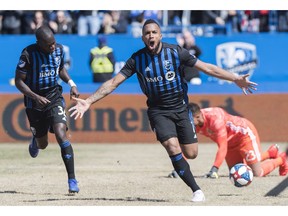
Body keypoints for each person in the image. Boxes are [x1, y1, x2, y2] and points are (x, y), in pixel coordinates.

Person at [68, 19, 257, 202]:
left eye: (154, 32)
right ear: (143, 38)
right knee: (172, 147)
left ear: (160, 35)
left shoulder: (176, 52)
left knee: (191, 153)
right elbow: (113, 83)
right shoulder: (137, 59)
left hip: (181, 109)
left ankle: (186, 170)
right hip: (158, 111)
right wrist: (89, 101)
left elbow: (207, 68)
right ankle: (196, 190)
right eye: (147, 33)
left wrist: (234, 78)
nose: (150, 36)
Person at [14, 25, 80, 193]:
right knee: (43, 144)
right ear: (39, 43)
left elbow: (61, 69)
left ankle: (72, 180)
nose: (52, 47)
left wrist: (71, 84)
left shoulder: (58, 50)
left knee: (60, 133)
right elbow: (19, 81)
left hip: (54, 96)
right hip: (34, 101)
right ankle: (36, 140)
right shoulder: (28, 54)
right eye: (48, 44)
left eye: (53, 43)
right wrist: (35, 97)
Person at [188, 102, 288, 178]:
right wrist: (180, 167)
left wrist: (214, 169)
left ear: (197, 116)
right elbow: (186, 144)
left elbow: (222, 146)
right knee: (237, 173)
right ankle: (270, 153)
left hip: (244, 137)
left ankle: (281, 159)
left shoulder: (215, 119)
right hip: (230, 143)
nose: (187, 122)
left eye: (189, 119)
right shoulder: (195, 122)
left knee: (257, 173)